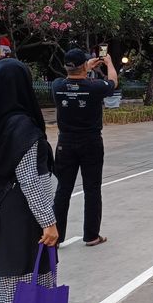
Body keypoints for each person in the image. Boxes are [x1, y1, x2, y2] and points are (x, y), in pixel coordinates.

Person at [0, 59, 58, 303]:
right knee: (35, 278)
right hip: (25, 214)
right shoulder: (23, 125)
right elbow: (29, 180)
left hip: (1, 207)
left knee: (10, 278)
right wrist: (48, 222)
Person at [52, 48, 117, 247]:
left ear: (65, 66)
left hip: (65, 143)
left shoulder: (57, 86)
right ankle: (91, 236)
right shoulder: (95, 86)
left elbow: (72, 80)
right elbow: (113, 82)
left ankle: (57, 236)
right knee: (92, 189)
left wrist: (84, 68)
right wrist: (109, 63)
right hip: (91, 142)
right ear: (83, 66)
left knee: (63, 189)